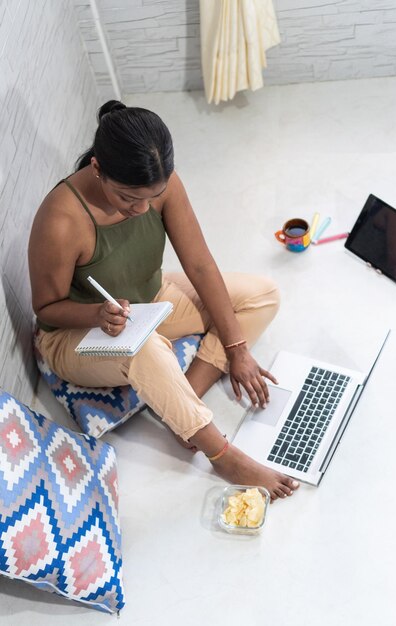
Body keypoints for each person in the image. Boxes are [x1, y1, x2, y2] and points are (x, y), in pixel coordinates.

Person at [28, 100, 299, 501]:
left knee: (262, 295)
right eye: (128, 199)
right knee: (147, 348)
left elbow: (201, 266)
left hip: (148, 302)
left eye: (151, 198)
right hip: (76, 334)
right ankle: (221, 453)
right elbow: (46, 310)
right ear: (99, 168)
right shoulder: (62, 219)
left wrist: (237, 347)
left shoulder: (163, 185)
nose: (141, 210)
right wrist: (97, 314)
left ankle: (180, 401)